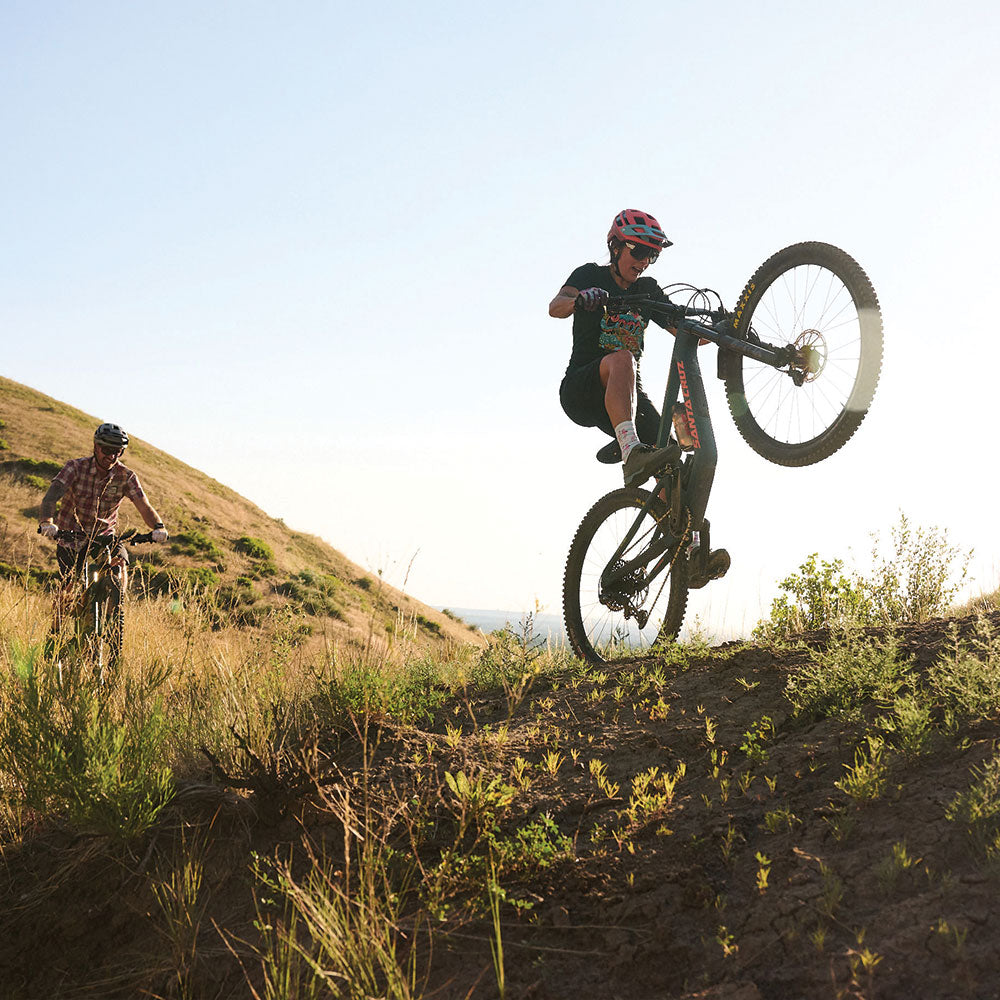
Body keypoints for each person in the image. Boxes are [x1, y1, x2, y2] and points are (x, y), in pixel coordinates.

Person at [550, 209, 728, 586]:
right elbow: (556, 306)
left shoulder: (649, 290)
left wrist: (724, 328)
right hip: (584, 388)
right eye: (637, 251)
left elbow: (683, 329)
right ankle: (631, 451)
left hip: (626, 395)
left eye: (652, 255)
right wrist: (581, 299)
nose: (643, 261)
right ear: (615, 246)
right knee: (622, 359)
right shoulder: (589, 275)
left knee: (684, 447)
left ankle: (689, 549)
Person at [38, 423, 169, 599]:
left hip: (105, 536)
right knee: (68, 590)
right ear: (96, 447)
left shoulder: (126, 476)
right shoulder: (75, 468)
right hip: (71, 536)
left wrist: (158, 526)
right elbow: (51, 497)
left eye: (118, 451)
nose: (112, 456)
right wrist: (47, 522)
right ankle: (57, 626)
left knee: (120, 564)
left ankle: (116, 609)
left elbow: (144, 505)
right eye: (107, 449)